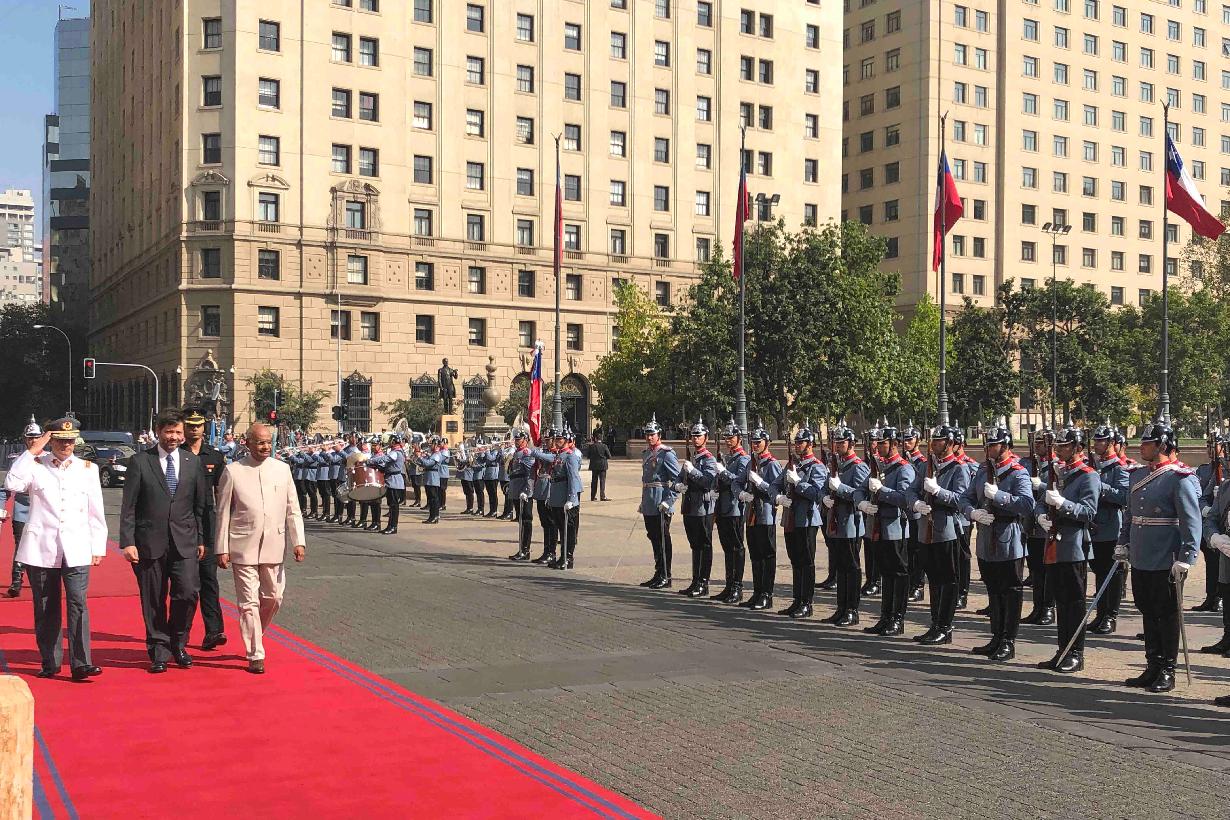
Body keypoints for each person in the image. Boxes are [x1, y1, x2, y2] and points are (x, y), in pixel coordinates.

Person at [4, 418, 107, 681]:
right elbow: (12, 484)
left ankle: (82, 663)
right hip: (41, 547)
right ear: (51, 441)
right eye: (60, 440)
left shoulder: (88, 469)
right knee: (46, 605)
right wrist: (32, 450)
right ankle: (50, 661)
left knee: (78, 603)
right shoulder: (35, 465)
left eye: (70, 440)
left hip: (77, 546)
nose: (65, 445)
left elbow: (96, 511)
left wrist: (98, 546)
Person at [119, 408, 210, 673]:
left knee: (188, 591)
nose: (173, 437)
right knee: (153, 598)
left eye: (178, 432)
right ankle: (159, 649)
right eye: (169, 431)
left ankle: (179, 642)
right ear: (158, 432)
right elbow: (129, 506)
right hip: (149, 541)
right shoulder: (140, 462)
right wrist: (128, 541)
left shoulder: (192, 462)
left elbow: (200, 505)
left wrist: (201, 538)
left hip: (185, 541)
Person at [215, 423, 307, 674]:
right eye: (260, 442)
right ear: (248, 443)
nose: (265, 447)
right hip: (242, 546)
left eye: (268, 442)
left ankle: (256, 631)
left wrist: (299, 541)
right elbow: (223, 513)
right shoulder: (233, 471)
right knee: (248, 603)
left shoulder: (282, 469)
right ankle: (255, 652)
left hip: (274, 545)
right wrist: (221, 547)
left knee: (274, 597)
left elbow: (293, 509)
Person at [1118, 419, 1201, 693]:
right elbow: (1130, 515)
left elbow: (1191, 521)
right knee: (1147, 610)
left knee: (1166, 614)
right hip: (1141, 555)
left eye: (1148, 443)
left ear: (1163, 445)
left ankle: (1168, 669)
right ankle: (1152, 665)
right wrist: (1123, 542)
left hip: (1167, 557)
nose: (1142, 447)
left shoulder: (1179, 478)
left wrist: (1187, 556)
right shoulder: (1137, 475)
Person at [960, 419, 1033, 662]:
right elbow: (966, 498)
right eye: (988, 445)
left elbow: (1027, 504)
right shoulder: (983, 470)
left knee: (1010, 591)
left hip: (1008, 537)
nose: (989, 448)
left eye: (994, 445)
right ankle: (996, 636)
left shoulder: (1018, 472)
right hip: (985, 537)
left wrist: (1000, 496)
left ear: (1006, 446)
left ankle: (1008, 641)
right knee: (993, 590)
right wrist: (972, 512)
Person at [1034, 427, 1100, 674]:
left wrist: (1063, 504)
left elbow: (1089, 512)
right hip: (1054, 543)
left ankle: (1076, 653)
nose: (1059, 450)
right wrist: (1041, 516)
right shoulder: (1056, 472)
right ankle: (1062, 650)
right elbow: (1040, 503)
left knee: (1075, 602)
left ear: (1078, 448)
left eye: (1064, 446)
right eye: (1058, 446)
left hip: (1074, 545)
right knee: (1061, 601)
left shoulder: (1088, 476)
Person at [913, 423, 971, 645]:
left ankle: (945, 627)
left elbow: (961, 499)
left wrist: (938, 492)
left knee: (948, 580)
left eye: (939, 441)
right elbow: (911, 491)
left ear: (949, 443)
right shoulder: (925, 466)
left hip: (947, 530)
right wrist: (916, 503)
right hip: (926, 530)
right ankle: (935, 623)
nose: (934, 444)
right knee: (934, 579)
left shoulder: (958, 468)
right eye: (933, 440)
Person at [861, 422, 916, 636]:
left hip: (895, 527)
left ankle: (897, 619)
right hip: (878, 527)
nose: (877, 446)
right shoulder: (879, 466)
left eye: (882, 443)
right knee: (885, 573)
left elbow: (904, 499)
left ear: (893, 444)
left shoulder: (904, 468)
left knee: (898, 573)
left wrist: (882, 491)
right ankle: (885, 617)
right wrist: (861, 502)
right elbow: (860, 490)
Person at [182, 409, 229, 651]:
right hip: (182, 521)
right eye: (190, 425)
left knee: (209, 579)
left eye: (198, 425)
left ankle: (214, 630)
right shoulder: (176, 454)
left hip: (208, 523)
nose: (194, 429)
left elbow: (223, 493)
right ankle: (181, 633)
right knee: (185, 583)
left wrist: (225, 529)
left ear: (203, 427)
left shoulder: (215, 456)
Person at [778, 425, 828, 619]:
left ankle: (807, 603)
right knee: (795, 561)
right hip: (790, 518)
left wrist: (799, 483)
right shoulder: (792, 465)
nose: (797, 445)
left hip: (807, 519)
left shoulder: (817, 466)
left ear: (810, 444)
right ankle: (797, 600)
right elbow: (776, 485)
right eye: (796, 442)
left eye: (801, 442)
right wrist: (778, 497)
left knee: (806, 562)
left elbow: (817, 493)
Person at [1088, 424, 1130, 635]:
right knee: (1099, 572)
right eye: (1095, 440)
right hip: (1094, 526)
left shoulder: (1119, 468)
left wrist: (1100, 486)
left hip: (1111, 526)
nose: (1096, 444)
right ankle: (1100, 613)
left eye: (1101, 441)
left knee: (1112, 575)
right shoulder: (1094, 465)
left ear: (1112, 443)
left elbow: (1124, 496)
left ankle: (1110, 616)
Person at [739, 423, 782, 611]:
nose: (755, 445)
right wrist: (741, 494)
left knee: (767, 555)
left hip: (765, 514)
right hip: (751, 514)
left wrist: (761, 484)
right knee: (755, 555)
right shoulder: (751, 463)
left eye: (759, 442)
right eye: (753, 442)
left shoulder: (772, 464)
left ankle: (767, 594)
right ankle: (757, 592)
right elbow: (736, 482)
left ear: (767, 443)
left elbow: (776, 490)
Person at [675, 420, 719, 598]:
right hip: (690, 506)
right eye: (693, 436)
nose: (695, 439)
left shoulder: (709, 459)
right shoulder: (692, 458)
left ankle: (703, 582)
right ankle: (695, 580)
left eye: (699, 436)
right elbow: (679, 478)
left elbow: (708, 481)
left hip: (703, 507)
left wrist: (693, 471)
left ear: (706, 438)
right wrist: (678, 486)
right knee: (694, 545)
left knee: (704, 544)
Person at [711, 420, 751, 603]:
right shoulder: (728, 458)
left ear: (739, 439)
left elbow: (739, 481)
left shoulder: (743, 458)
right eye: (726, 437)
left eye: (731, 437)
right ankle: (729, 585)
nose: (728, 440)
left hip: (735, 507)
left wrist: (723, 472)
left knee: (736, 547)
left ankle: (737, 587)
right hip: (723, 506)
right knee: (727, 548)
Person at [638, 414, 680, 589]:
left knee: (662, 539)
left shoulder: (666, 454)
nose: (649, 437)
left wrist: (669, 501)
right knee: (653, 538)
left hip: (661, 500)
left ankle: (666, 575)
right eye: (647, 434)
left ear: (659, 435)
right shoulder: (647, 453)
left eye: (652, 434)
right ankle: (658, 572)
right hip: (649, 501)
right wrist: (644, 501)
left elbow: (677, 480)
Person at [2, 417, 42, 597]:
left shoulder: (49, 459)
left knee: (43, 545)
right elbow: (6, 487)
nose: (33, 441)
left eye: (36, 437)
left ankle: (40, 581)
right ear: (25, 439)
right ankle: (16, 582)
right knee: (21, 545)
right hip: (23, 508)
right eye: (30, 437)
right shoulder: (17, 460)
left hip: (43, 510)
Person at [1022, 430, 1057, 625]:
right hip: (1032, 523)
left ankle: (1048, 608)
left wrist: (1041, 486)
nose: (1037, 445)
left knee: (1048, 569)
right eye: (1036, 442)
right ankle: (1037, 608)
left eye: (1042, 442)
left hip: (1048, 522)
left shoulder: (1057, 465)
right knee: (1035, 568)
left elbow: (1059, 490)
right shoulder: (1027, 463)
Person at [1194, 433, 1226, 613]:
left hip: (1225, 524)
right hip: (1211, 524)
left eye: (1214, 445)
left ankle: (1221, 596)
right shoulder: (1205, 470)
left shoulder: (1224, 469)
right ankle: (1211, 596)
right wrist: (1206, 509)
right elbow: (1201, 496)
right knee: (1212, 562)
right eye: (1208, 446)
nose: (1210, 449)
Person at [505, 430, 537, 561]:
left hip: (523, 491)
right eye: (516, 439)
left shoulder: (526, 453)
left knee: (526, 520)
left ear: (525, 440)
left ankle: (525, 549)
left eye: (519, 439)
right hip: (516, 488)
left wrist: (527, 491)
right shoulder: (517, 453)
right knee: (521, 520)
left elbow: (530, 474)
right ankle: (522, 549)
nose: (517, 441)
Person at [368, 436, 406, 535]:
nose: (389, 443)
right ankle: (390, 526)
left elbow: (385, 458)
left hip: (394, 481)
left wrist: (371, 461)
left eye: (390, 441)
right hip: (391, 480)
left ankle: (393, 526)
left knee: (393, 506)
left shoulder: (395, 452)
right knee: (392, 505)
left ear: (393, 442)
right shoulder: (397, 452)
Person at [530, 433, 558, 564]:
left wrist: (533, 449)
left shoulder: (556, 453)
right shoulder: (544, 451)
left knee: (551, 523)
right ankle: (546, 551)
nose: (546, 442)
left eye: (548, 440)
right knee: (545, 523)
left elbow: (548, 458)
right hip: (541, 490)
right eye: (545, 440)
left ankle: (551, 552)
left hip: (549, 491)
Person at [414, 437, 442, 524]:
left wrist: (420, 457)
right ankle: (431, 516)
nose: (431, 446)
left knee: (434, 498)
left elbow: (428, 463)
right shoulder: (433, 454)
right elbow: (424, 463)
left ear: (436, 445)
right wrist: (420, 458)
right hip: (429, 477)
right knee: (430, 498)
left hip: (433, 477)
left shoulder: (437, 455)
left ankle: (435, 516)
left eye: (432, 444)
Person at [588, 434, 611, 501]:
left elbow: (588, 456)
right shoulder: (604, 446)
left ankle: (593, 496)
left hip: (594, 465)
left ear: (595, 439)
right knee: (602, 481)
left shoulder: (591, 446)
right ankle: (602, 496)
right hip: (602, 465)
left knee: (594, 481)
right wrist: (603, 457)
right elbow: (609, 456)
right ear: (601, 439)